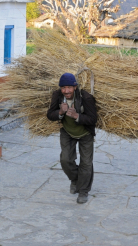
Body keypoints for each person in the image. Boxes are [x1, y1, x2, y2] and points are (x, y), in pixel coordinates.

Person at [47, 73, 98, 204]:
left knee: (86, 163)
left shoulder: (86, 97)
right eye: (63, 88)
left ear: (75, 87)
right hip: (67, 132)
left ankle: (83, 191)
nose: (66, 91)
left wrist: (77, 116)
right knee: (65, 159)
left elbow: (93, 119)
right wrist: (60, 112)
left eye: (69, 87)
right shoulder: (57, 96)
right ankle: (75, 180)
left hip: (85, 133)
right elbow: (49, 115)